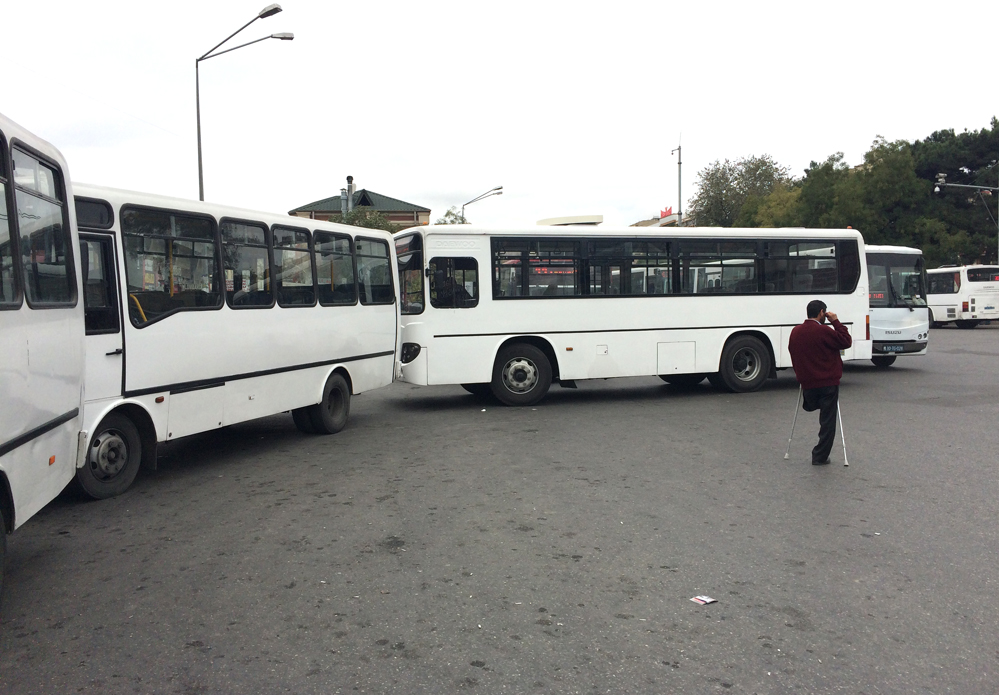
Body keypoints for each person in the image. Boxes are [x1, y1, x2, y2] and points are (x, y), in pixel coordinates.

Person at [787, 299, 852, 465]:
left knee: (820, 411)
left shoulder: (795, 331)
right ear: (822, 312)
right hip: (827, 382)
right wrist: (836, 321)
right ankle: (820, 455)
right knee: (828, 421)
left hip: (807, 383)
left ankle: (820, 454)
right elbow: (846, 341)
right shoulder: (824, 331)